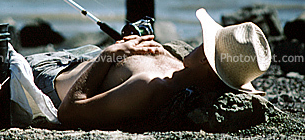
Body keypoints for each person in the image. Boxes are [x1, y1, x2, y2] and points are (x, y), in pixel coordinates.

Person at [25, 8, 272, 129]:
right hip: (75, 59)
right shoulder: (180, 68)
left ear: (207, 60)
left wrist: (109, 54)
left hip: (45, 80)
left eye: (205, 43)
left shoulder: (151, 88)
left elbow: (70, 113)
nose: (197, 44)